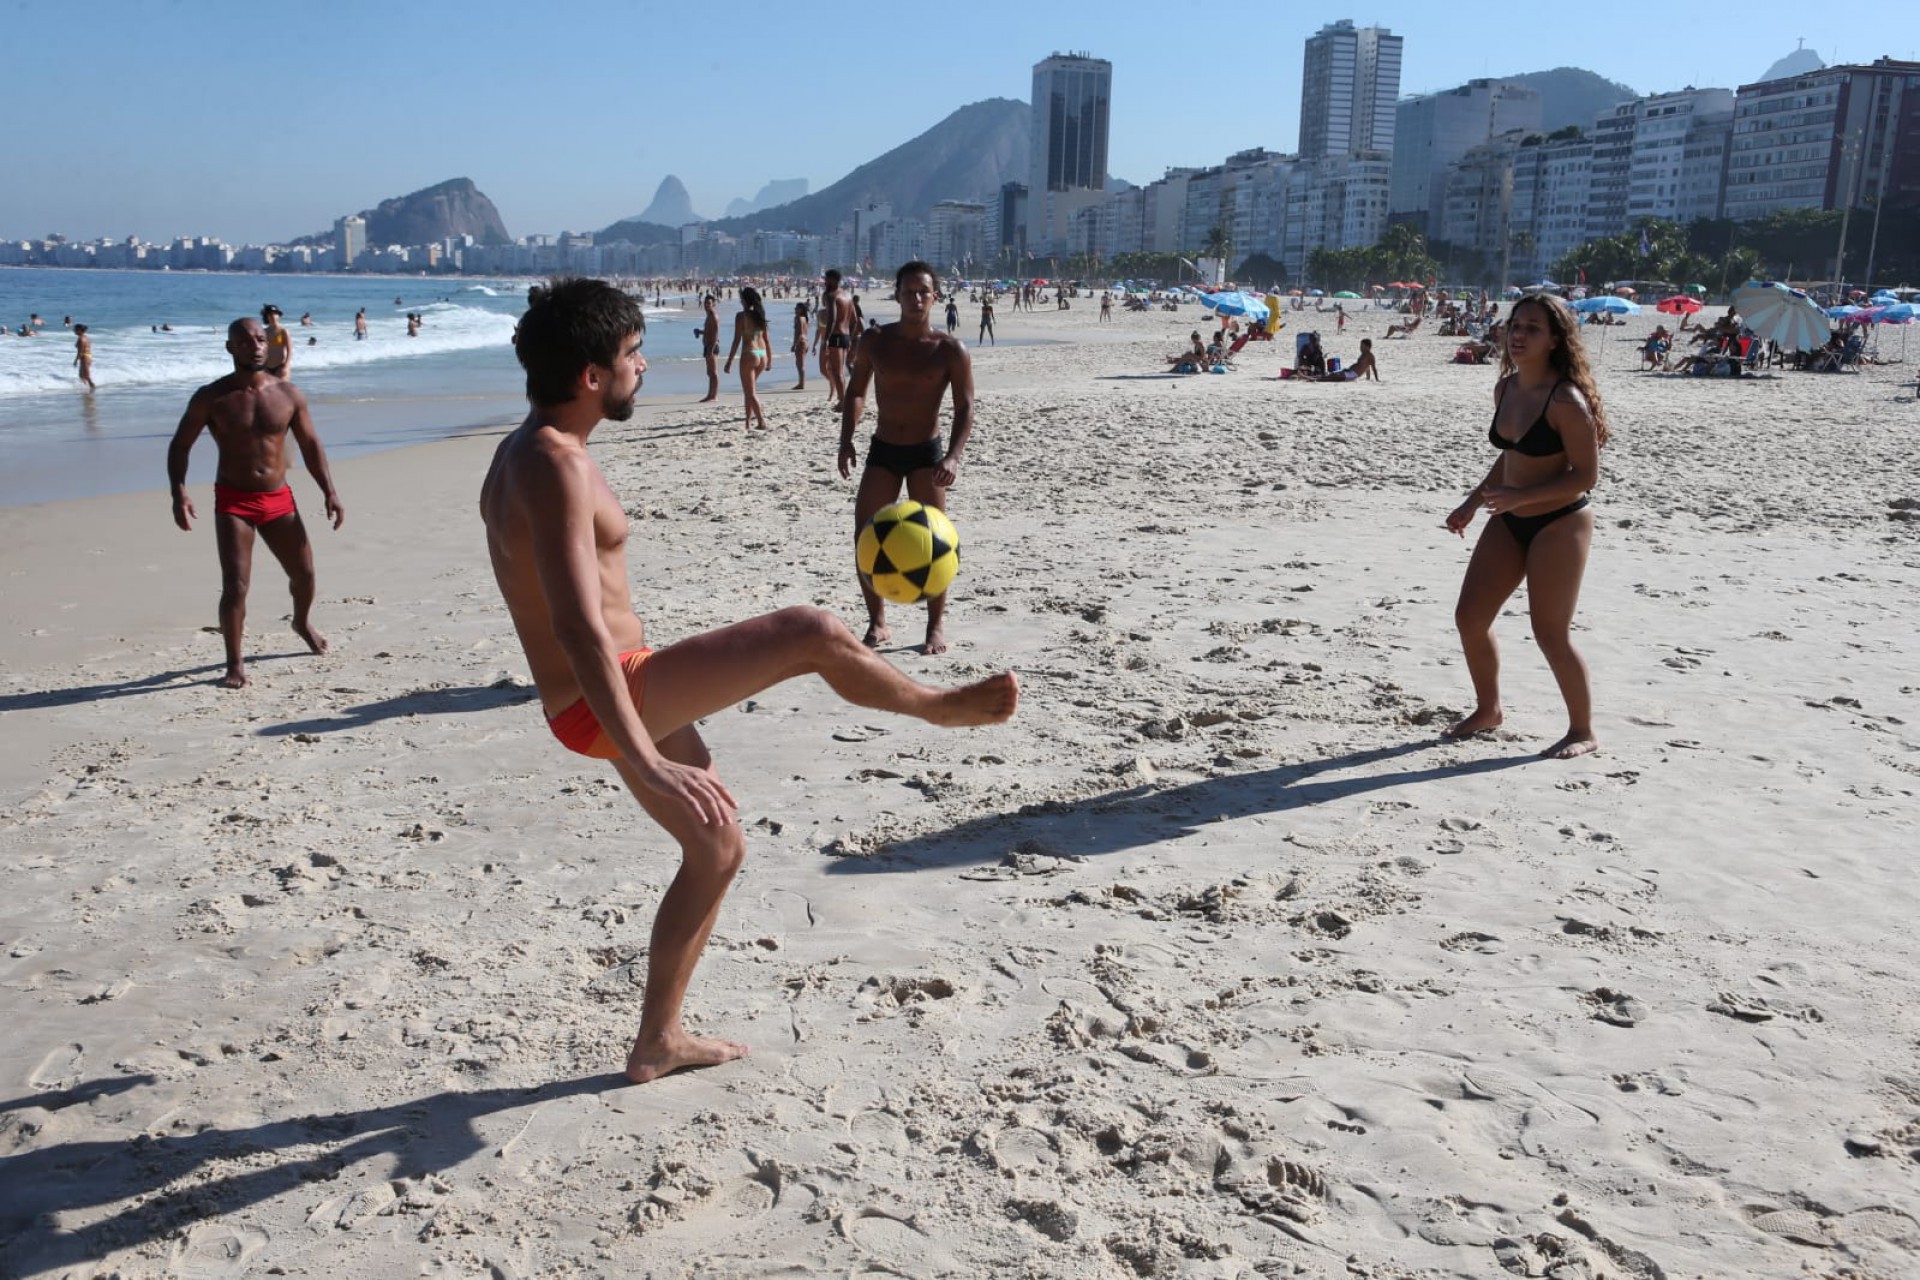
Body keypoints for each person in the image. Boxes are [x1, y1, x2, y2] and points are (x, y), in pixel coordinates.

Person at [478, 277, 1016, 1083]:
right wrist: (647, 755)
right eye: (630, 356)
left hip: (616, 693)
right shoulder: (550, 463)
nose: (642, 368)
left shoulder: (533, 449)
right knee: (811, 630)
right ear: (591, 376)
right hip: (612, 696)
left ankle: (657, 1040)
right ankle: (938, 708)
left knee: (717, 847)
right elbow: (576, 628)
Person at [1442, 292, 1606, 759]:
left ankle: (1582, 730)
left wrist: (1521, 497)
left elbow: (1584, 476)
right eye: (1515, 325)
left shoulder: (1567, 400)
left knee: (1550, 633)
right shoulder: (1507, 388)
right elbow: (1511, 456)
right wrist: (1474, 502)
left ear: (1555, 339)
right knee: (1470, 618)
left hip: (1561, 522)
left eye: (1533, 328)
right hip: (1509, 516)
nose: (1518, 335)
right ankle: (1488, 709)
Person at [167, 318, 344, 689]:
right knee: (236, 585)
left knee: (305, 575)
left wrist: (329, 490)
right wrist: (178, 492)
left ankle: (301, 621)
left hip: (279, 498)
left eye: (261, 339)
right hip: (234, 501)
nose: (256, 346)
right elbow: (180, 445)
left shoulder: (289, 394)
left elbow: (312, 445)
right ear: (231, 348)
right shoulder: (212, 397)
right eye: (245, 341)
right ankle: (234, 664)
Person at [838, 261, 975, 655]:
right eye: (909, 291)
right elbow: (857, 393)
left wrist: (953, 456)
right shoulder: (875, 342)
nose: (916, 298)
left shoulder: (949, 349)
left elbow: (965, 406)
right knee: (865, 536)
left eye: (923, 292)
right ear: (896, 294)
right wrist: (847, 440)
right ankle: (877, 623)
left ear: (935, 296)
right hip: (883, 450)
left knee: (938, 542)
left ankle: (934, 627)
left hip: (926, 455)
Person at [722, 286, 772, 430]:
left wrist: (729, 361)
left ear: (744, 301)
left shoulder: (741, 316)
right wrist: (769, 359)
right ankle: (747, 422)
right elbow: (767, 340)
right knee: (748, 390)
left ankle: (761, 421)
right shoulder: (759, 315)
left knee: (750, 392)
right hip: (762, 354)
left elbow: (736, 340)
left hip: (749, 354)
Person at [817, 270, 855, 409]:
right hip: (845, 336)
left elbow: (832, 319)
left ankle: (843, 402)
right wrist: (850, 337)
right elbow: (854, 320)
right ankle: (842, 398)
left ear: (833, 280)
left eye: (826, 280)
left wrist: (826, 339)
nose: (825, 282)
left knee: (836, 371)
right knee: (840, 370)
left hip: (835, 336)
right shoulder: (848, 296)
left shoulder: (831, 296)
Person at [697, 294, 721, 402]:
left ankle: (714, 395)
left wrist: (711, 349)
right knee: (709, 372)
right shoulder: (709, 316)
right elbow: (709, 331)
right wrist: (700, 332)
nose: (707, 305)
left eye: (709, 303)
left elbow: (715, 334)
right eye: (705, 303)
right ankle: (710, 394)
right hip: (707, 345)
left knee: (714, 372)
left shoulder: (713, 316)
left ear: (713, 304)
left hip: (712, 346)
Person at [261, 305, 291, 378]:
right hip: (266, 367)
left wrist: (286, 366)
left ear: (278, 316)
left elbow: (289, 350)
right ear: (267, 317)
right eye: (270, 314)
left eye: (275, 314)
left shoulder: (283, 331)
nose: (273, 316)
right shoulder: (264, 332)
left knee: (282, 389)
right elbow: (262, 350)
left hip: (280, 367)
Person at [790, 302, 810, 390]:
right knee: (799, 363)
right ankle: (801, 383)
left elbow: (800, 333)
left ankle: (801, 384)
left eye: (797, 308)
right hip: (805, 342)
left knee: (800, 364)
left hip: (801, 342)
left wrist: (794, 344)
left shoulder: (799, 318)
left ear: (801, 310)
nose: (795, 310)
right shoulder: (804, 318)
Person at [73, 324, 95, 391]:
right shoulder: (85, 337)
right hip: (88, 356)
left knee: (87, 376)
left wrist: (76, 360)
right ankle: (86, 389)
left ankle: (92, 391)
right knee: (82, 376)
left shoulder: (81, 339)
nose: (74, 331)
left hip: (85, 357)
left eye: (75, 329)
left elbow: (80, 351)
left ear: (79, 330)